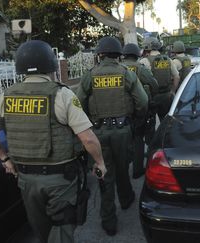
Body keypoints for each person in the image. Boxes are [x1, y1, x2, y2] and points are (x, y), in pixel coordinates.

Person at [0, 40, 106, 243]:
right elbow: (87, 138)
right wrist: (100, 162)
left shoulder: (6, 96)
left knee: (42, 232)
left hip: (26, 180)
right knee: (62, 231)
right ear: (51, 65)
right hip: (60, 180)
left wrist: (4, 159)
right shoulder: (62, 94)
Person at [76, 36, 148, 236]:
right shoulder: (126, 73)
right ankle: (126, 199)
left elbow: (78, 103)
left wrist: (88, 122)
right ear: (118, 55)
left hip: (98, 133)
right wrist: (136, 119)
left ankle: (108, 220)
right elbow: (142, 101)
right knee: (123, 167)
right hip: (123, 131)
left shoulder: (90, 75)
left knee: (104, 173)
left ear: (100, 54)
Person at [121, 43, 159, 179]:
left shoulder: (119, 68)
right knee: (138, 138)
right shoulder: (139, 68)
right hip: (138, 109)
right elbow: (154, 84)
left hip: (121, 111)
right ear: (137, 55)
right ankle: (137, 169)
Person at [139, 37, 180, 121]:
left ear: (147, 47)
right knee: (166, 122)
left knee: (150, 124)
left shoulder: (144, 61)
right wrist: (172, 91)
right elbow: (177, 77)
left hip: (152, 98)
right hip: (167, 96)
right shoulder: (168, 59)